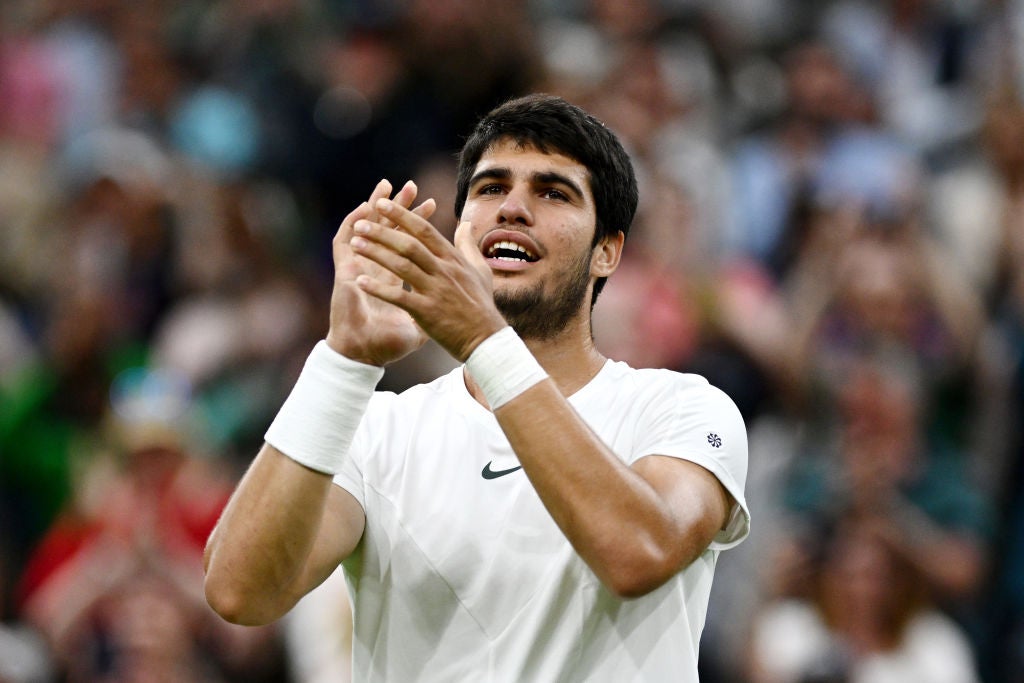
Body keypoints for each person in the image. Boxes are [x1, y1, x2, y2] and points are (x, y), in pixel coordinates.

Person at [203, 93, 751, 681]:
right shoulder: (378, 428)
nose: (513, 208)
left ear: (607, 252)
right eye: (490, 188)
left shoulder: (682, 410)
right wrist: (344, 358)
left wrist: (485, 342)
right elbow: (240, 593)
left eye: (553, 192)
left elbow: (639, 552)